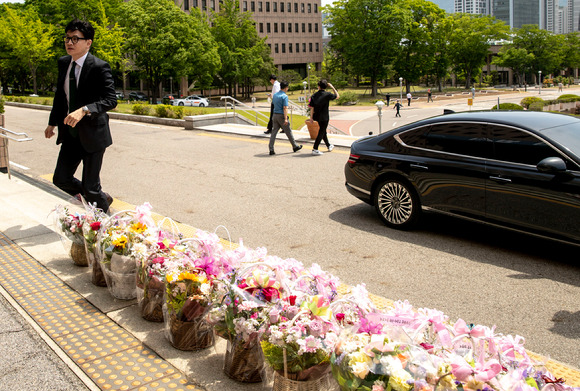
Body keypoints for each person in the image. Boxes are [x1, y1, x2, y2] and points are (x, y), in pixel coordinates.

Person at [44, 19, 117, 213]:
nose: (69, 42)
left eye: (75, 39)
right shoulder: (63, 63)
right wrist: (52, 122)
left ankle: (108, 225)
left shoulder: (99, 67)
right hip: (70, 134)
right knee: (61, 179)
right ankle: (99, 197)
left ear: (88, 43)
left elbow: (111, 100)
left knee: (91, 187)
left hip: (93, 134)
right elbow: (61, 96)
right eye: (67, 38)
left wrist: (85, 109)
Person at [268, 81, 303, 155]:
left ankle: (271, 149)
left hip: (275, 115)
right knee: (288, 132)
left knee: (274, 132)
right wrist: (286, 118)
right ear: (286, 88)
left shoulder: (275, 95)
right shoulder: (284, 96)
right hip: (281, 116)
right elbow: (285, 108)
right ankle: (295, 146)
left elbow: (274, 104)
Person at [309, 79, 339, 156]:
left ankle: (329, 145)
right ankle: (315, 148)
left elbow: (311, 107)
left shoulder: (314, 95)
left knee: (323, 131)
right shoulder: (327, 94)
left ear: (318, 86)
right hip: (325, 116)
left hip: (317, 116)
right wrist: (333, 87)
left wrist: (311, 118)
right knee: (322, 131)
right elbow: (337, 96)